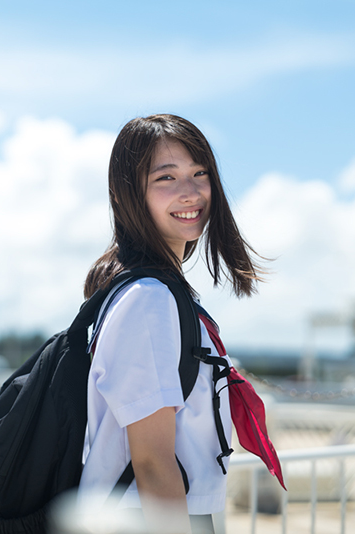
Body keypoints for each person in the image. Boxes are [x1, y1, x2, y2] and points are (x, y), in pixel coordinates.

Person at [78, 114, 263, 534]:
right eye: (166, 178)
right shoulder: (149, 300)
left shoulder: (154, 291)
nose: (191, 192)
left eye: (200, 173)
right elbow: (151, 461)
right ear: (126, 194)